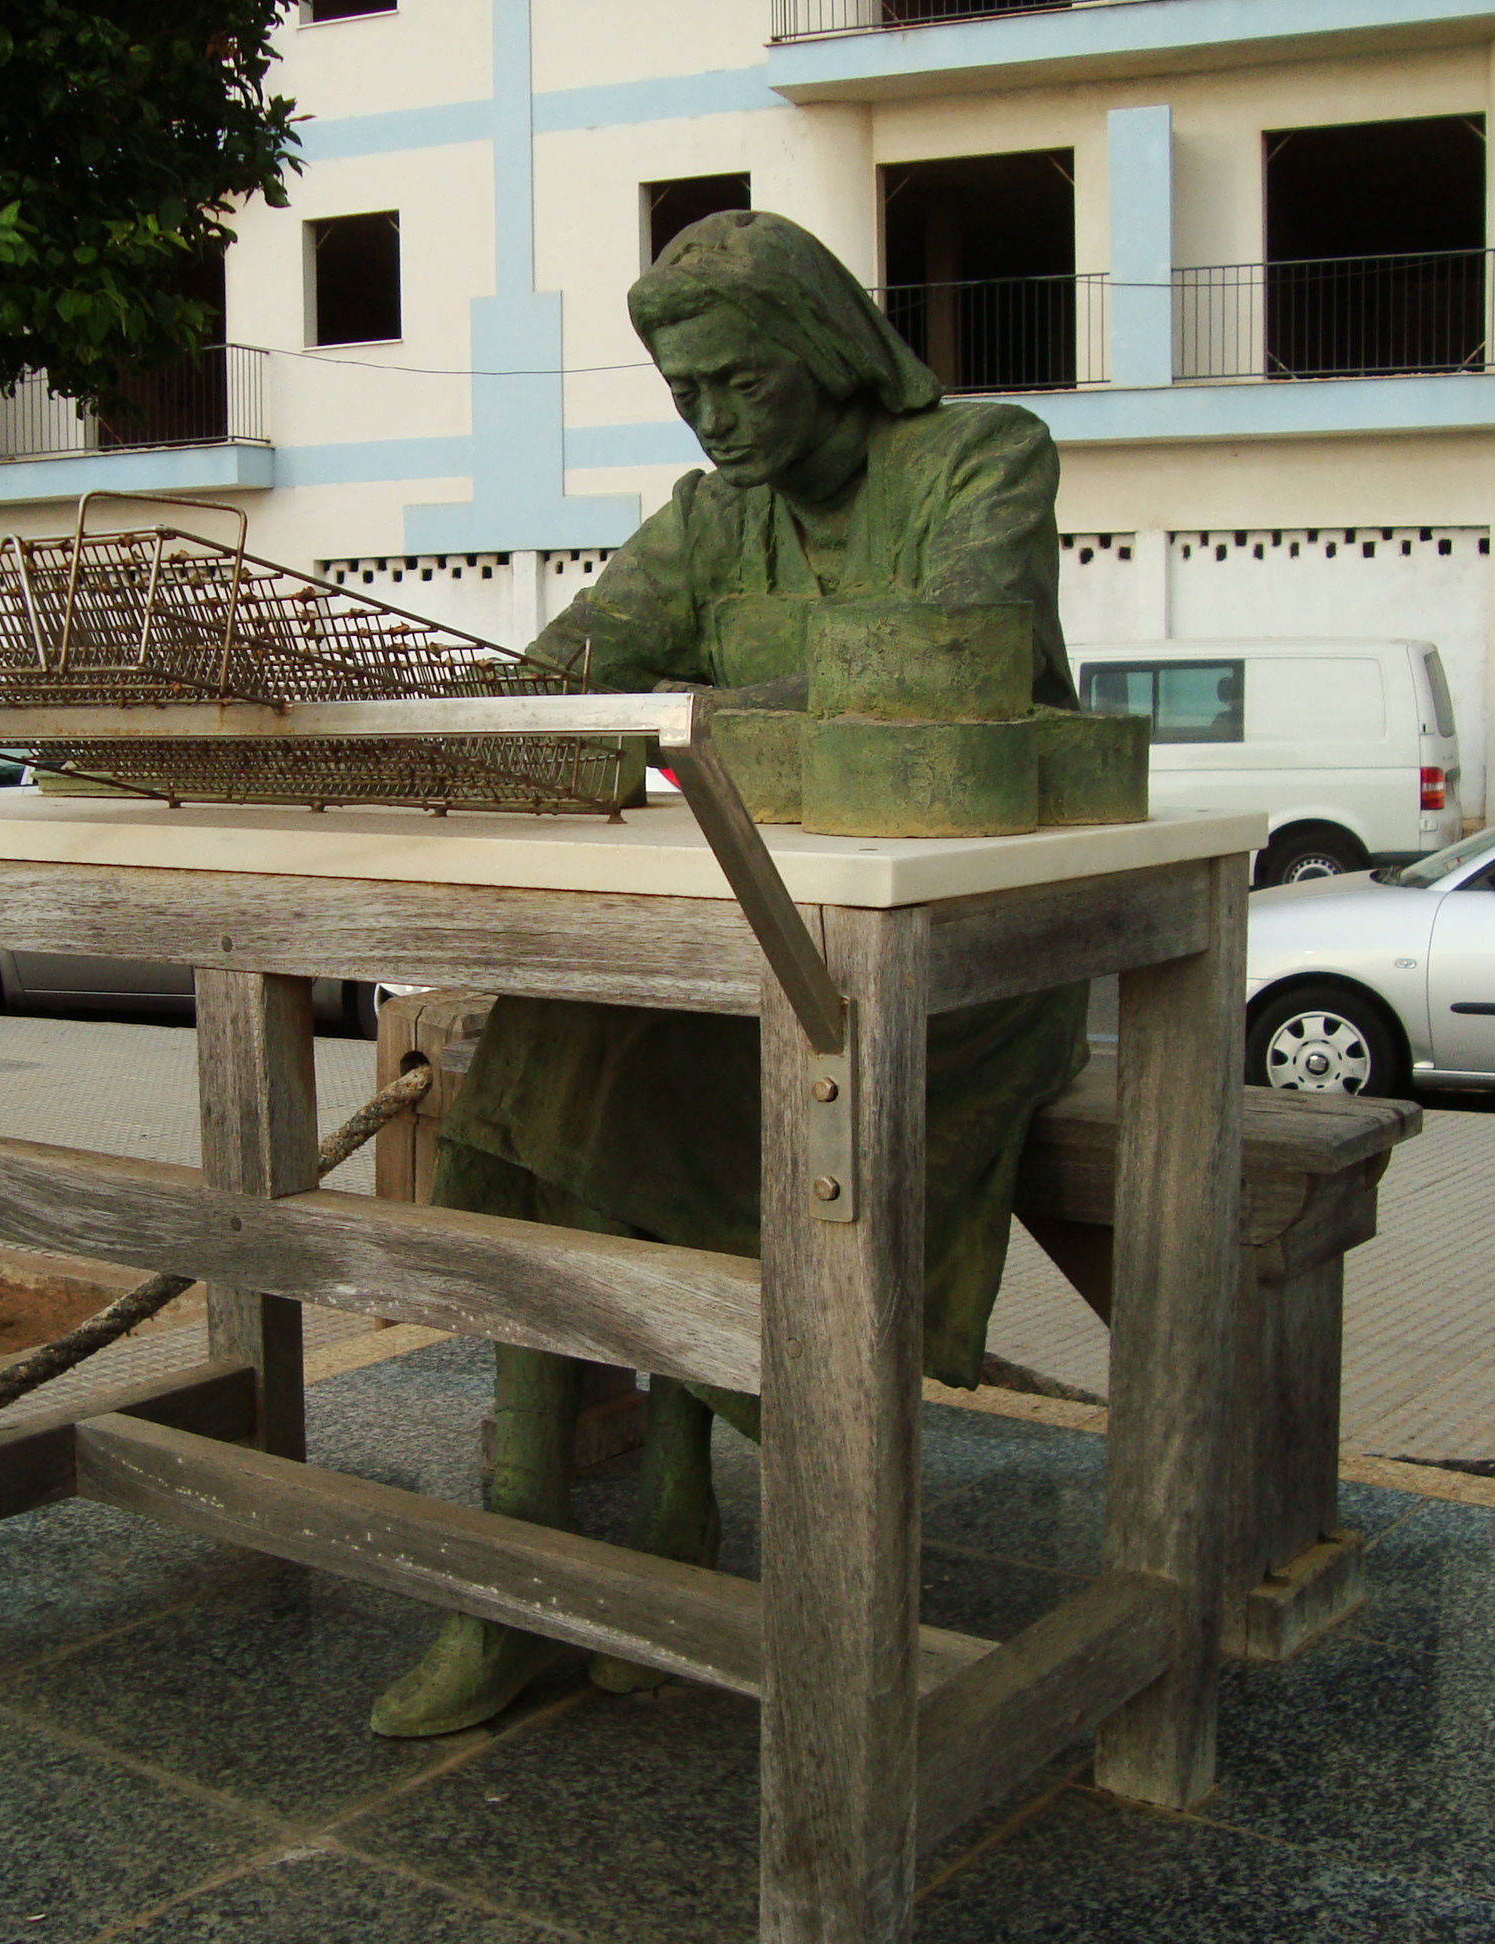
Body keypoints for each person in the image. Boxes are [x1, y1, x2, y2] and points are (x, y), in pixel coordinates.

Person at [368, 210, 1092, 1738]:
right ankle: (560, 1541)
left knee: (589, 1077)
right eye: (684, 390)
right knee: (541, 1059)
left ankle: (621, 1539)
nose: (710, 420)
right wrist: (433, 703)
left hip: (957, 956)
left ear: (823, 348)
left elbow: (953, 656)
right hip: (760, 927)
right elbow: (569, 677)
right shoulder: (709, 515)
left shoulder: (986, 456)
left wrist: (672, 710)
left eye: (736, 382)